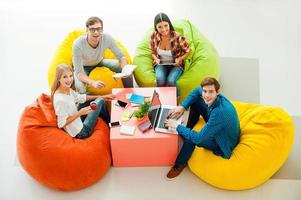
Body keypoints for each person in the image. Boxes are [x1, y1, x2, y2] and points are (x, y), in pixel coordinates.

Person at [164, 77, 240, 180]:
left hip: (222, 142)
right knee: (196, 100)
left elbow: (198, 138)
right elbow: (196, 91)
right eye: (205, 91)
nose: (207, 95)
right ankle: (188, 130)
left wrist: (177, 126)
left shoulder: (219, 113)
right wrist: (182, 107)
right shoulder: (214, 98)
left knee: (191, 139)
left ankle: (180, 164)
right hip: (219, 123)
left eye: (211, 92)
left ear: (217, 92)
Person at [51, 64, 115, 139]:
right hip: (81, 132)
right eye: (65, 77)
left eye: (71, 76)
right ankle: (110, 127)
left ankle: (106, 119)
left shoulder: (67, 89)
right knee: (100, 101)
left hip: (78, 120)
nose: (69, 80)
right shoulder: (60, 100)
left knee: (93, 97)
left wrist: (103, 96)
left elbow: (80, 98)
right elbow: (61, 124)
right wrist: (80, 113)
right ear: (58, 78)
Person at [72, 16, 133, 94]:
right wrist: (92, 82)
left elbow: (121, 56)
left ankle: (131, 95)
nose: (96, 32)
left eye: (98, 29)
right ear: (87, 30)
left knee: (128, 70)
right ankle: (96, 103)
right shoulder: (78, 44)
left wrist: (125, 70)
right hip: (83, 67)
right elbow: (79, 73)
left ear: (102, 30)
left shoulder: (107, 38)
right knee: (81, 88)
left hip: (99, 62)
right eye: (92, 29)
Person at [150, 13, 191, 98]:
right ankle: (160, 100)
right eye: (160, 27)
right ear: (156, 27)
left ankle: (176, 99)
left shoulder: (178, 37)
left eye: (166, 25)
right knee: (160, 80)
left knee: (171, 81)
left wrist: (179, 59)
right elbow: (153, 52)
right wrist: (156, 59)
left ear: (169, 24)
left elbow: (188, 51)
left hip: (175, 65)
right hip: (161, 63)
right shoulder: (154, 36)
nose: (164, 29)